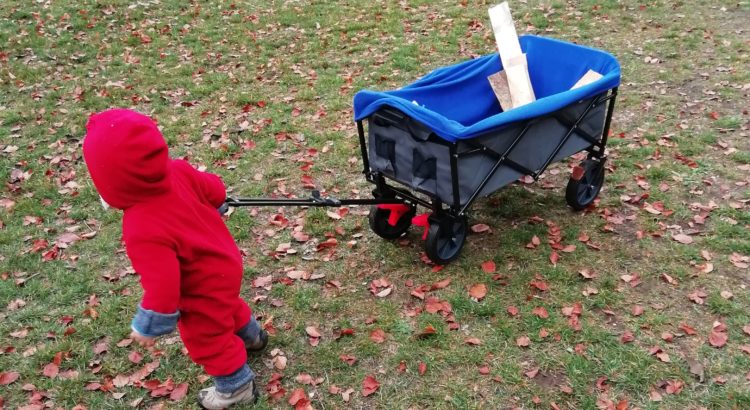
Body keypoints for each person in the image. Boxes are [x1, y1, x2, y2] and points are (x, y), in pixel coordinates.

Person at [82, 109, 267, 408]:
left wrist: (149, 324)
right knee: (224, 302)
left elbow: (164, 284)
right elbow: (214, 188)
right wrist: (217, 203)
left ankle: (236, 386)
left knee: (206, 333)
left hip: (200, 280)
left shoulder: (140, 226)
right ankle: (252, 336)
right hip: (224, 260)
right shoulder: (178, 171)